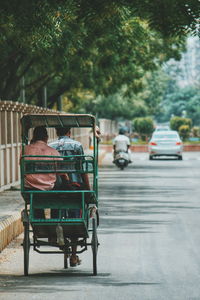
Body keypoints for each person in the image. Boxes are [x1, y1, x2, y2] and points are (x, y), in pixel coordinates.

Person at [49, 127, 90, 267]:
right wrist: (89, 189)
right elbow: (82, 169)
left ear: (56, 133)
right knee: (75, 219)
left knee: (56, 207)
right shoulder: (77, 146)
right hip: (74, 187)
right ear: (69, 132)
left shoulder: (51, 146)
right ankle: (73, 255)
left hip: (56, 188)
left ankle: (55, 231)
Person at [22, 126, 69, 219]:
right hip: (49, 188)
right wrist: (67, 180)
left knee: (36, 201)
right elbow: (61, 171)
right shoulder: (53, 152)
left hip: (30, 188)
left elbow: (22, 167)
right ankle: (55, 219)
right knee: (60, 183)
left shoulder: (25, 150)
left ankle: (39, 224)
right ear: (46, 137)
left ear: (34, 136)